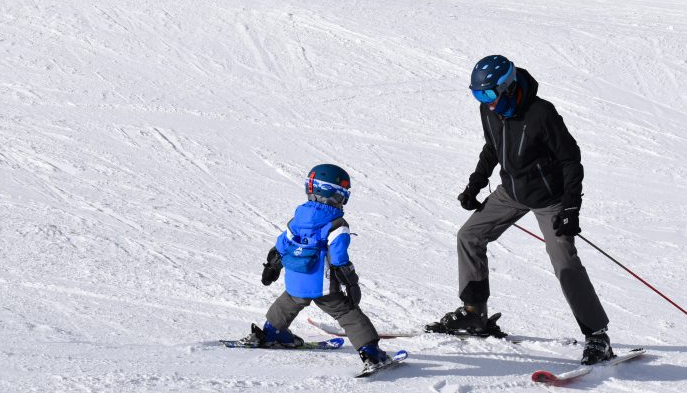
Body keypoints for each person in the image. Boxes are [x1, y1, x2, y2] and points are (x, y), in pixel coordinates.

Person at [426, 55, 615, 365]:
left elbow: (570, 160)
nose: (484, 102)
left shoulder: (541, 114)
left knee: (564, 263)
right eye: (477, 94)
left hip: (550, 199)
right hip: (511, 192)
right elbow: (492, 148)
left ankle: (598, 336)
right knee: (469, 236)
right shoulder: (489, 113)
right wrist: (475, 185)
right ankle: (474, 313)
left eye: (488, 94)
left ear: (508, 87)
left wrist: (570, 208)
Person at [240, 163, 391, 370]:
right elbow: (338, 258)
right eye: (344, 193)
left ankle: (271, 332)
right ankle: (371, 353)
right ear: (336, 194)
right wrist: (351, 283)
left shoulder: (298, 217)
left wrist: (272, 265)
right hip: (322, 284)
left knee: (289, 301)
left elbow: (282, 244)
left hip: (296, 277)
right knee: (346, 312)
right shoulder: (337, 223)